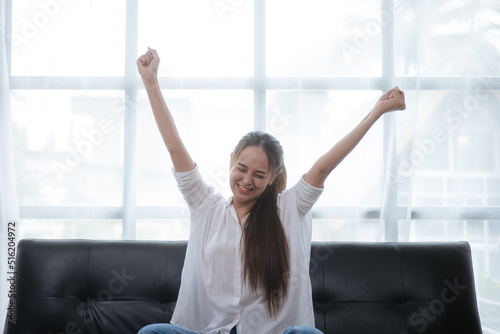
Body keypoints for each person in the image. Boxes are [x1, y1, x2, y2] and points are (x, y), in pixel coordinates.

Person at [136, 47, 406, 334]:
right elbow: (174, 147)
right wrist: (151, 82)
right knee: (153, 333)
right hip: (214, 331)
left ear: (273, 177)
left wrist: (377, 111)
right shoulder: (206, 206)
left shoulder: (290, 208)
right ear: (231, 160)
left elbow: (325, 166)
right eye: (241, 168)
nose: (246, 180)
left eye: (259, 174)